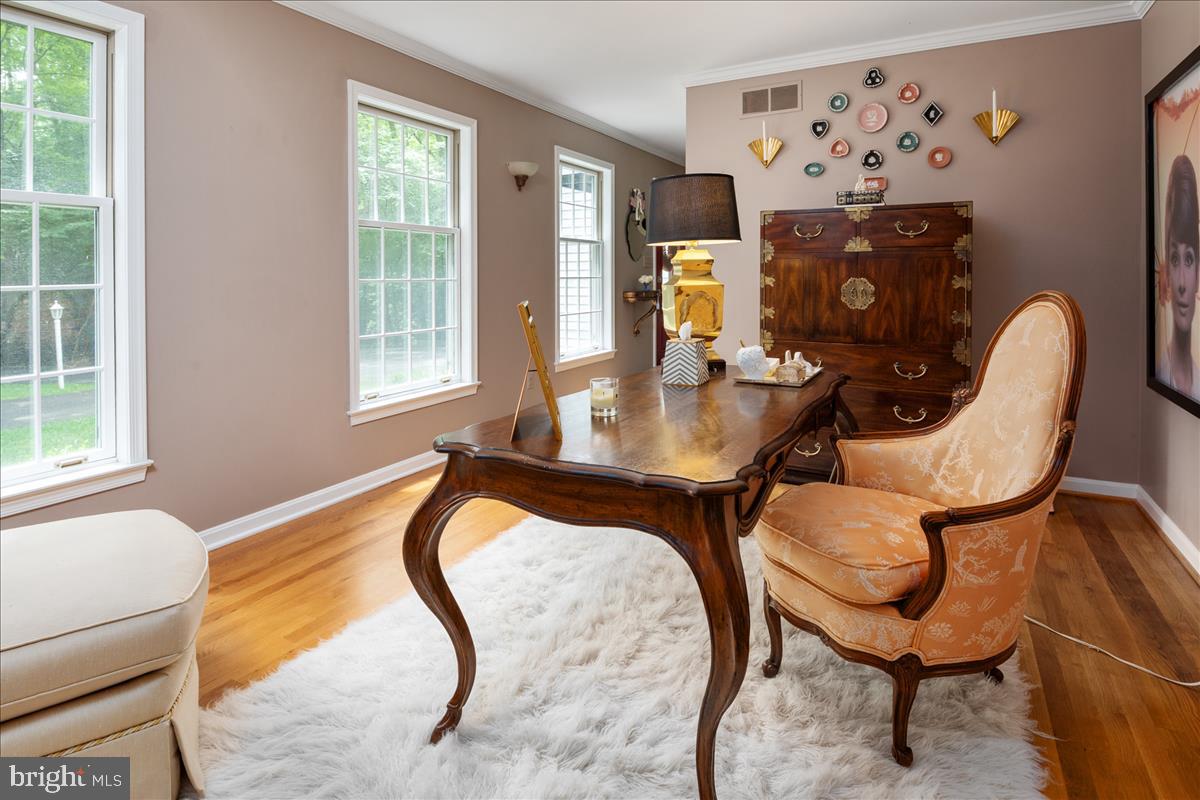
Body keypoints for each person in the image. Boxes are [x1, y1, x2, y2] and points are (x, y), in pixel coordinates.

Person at [1158, 154, 1200, 398]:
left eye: (1189, 258)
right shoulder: (1161, 372)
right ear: (1166, 276)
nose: (1182, 283)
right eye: (1174, 259)